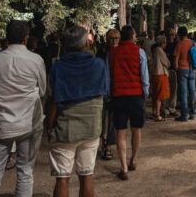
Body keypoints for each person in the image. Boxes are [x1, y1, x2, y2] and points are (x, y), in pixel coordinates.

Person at [0, 20, 47, 197]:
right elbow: (42, 90)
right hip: (27, 124)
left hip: (2, 123)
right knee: (25, 171)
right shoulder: (36, 60)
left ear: (7, 37)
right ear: (26, 38)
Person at [46, 25, 110, 197]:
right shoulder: (99, 65)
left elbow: (52, 101)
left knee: (62, 178)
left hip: (65, 130)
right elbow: (104, 94)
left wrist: (49, 126)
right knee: (86, 176)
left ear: (65, 45)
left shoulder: (58, 67)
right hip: (91, 128)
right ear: (87, 44)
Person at [108, 26, 149, 181]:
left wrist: (110, 92)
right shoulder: (140, 52)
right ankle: (133, 159)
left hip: (118, 95)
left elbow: (109, 75)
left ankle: (123, 167)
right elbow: (144, 75)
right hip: (136, 95)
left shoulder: (112, 53)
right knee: (136, 129)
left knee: (121, 132)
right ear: (133, 37)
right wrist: (145, 93)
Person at [98, 29, 120, 161]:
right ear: (107, 39)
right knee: (100, 119)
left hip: (115, 90)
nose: (114, 41)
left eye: (116, 38)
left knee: (113, 120)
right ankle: (103, 142)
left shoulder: (120, 53)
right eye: (111, 38)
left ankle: (109, 146)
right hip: (102, 90)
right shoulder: (101, 53)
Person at [173, 26, 196, 121]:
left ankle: (184, 115)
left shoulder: (179, 44)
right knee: (192, 91)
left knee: (183, 93)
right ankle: (193, 113)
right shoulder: (193, 43)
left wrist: (176, 67)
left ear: (179, 34)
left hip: (182, 69)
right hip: (192, 69)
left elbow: (176, 59)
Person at [150, 35, 170, 122]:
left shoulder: (155, 50)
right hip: (161, 74)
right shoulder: (159, 50)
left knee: (155, 94)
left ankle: (154, 112)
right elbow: (166, 62)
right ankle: (157, 114)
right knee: (159, 95)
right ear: (162, 43)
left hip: (155, 74)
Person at [163, 26, 179, 118]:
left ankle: (172, 108)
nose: (171, 36)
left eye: (172, 35)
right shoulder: (164, 45)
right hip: (165, 70)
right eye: (169, 35)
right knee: (166, 89)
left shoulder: (176, 45)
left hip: (173, 70)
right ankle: (165, 108)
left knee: (174, 90)